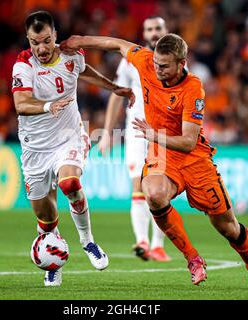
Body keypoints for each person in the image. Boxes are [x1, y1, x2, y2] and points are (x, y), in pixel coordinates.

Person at [61, 33, 248, 290]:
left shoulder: (193, 88)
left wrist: (153, 134)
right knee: (153, 194)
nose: (157, 69)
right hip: (162, 154)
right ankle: (192, 258)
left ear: (181, 63)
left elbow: (188, 142)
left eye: (164, 65)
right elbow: (117, 44)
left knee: (227, 226)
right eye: (157, 63)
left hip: (194, 159)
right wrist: (80, 40)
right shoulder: (147, 61)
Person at [12, 11, 135, 286]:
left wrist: (113, 87)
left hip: (69, 136)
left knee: (69, 183)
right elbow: (21, 104)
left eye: (46, 41)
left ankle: (87, 241)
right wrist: (46, 106)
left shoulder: (71, 55)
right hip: (35, 149)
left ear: (55, 35)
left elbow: (84, 71)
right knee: (45, 217)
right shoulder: (23, 64)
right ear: (28, 41)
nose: (41, 49)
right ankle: (54, 257)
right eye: (35, 42)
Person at [98, 16, 171, 262]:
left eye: (157, 28)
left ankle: (158, 244)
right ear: (144, 32)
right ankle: (142, 241)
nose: (153, 33)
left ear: (166, 30)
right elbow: (117, 95)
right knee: (138, 185)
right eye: (149, 28)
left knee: (159, 190)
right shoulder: (131, 60)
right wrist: (107, 132)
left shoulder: (176, 61)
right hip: (135, 132)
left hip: (161, 134)